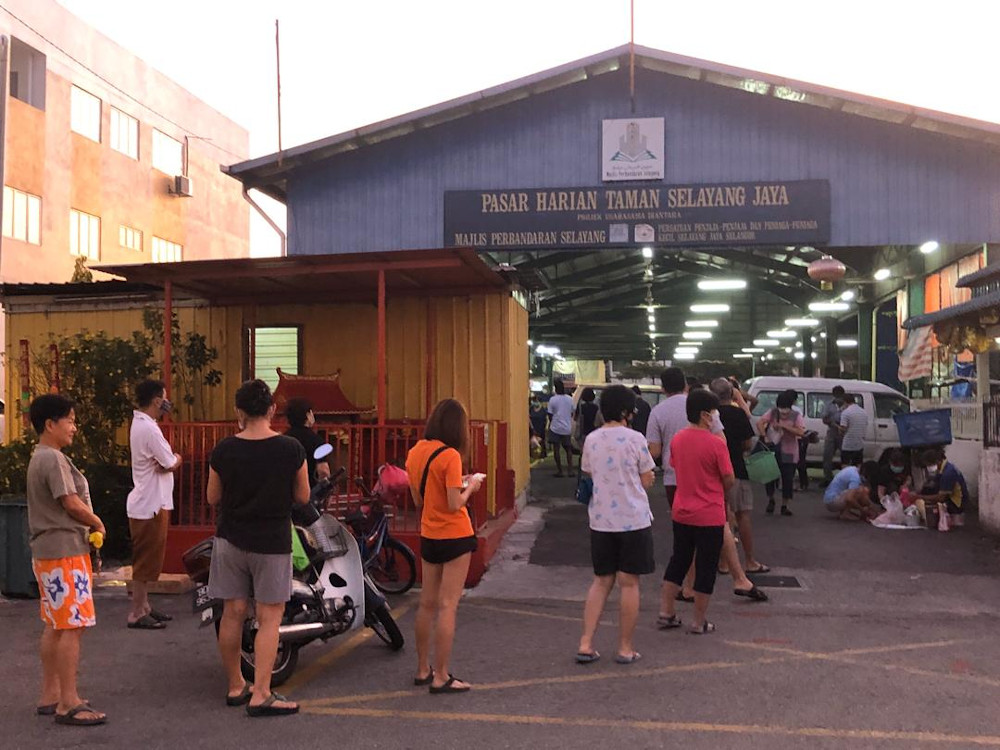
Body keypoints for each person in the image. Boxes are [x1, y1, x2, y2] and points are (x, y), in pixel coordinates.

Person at [207, 379, 309, 717]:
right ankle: (262, 692)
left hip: (230, 540)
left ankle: (236, 685)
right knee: (269, 618)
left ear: (239, 411)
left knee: (232, 613)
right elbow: (303, 497)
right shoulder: (291, 448)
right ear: (271, 409)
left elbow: (212, 497)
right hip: (272, 541)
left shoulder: (223, 450)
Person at [26, 394, 107, 726]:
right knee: (73, 626)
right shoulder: (54, 459)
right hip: (65, 550)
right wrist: (97, 522)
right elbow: (71, 503)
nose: (74, 427)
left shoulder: (39, 457)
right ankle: (68, 702)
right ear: (50, 424)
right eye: (70, 420)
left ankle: (52, 694)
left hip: (47, 552)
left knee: (55, 625)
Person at [407, 399, 483, 694]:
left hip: (429, 535)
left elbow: (418, 501)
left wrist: (456, 485)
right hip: (455, 535)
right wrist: (471, 486)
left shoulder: (416, 452)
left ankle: (422, 668)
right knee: (448, 605)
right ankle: (442, 676)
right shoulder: (450, 455)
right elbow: (455, 504)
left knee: (426, 603)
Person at [576, 386, 656, 665]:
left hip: (600, 520)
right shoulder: (636, 439)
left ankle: (585, 643)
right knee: (629, 583)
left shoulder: (592, 440)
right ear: (626, 411)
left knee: (601, 581)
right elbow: (647, 479)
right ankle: (624, 647)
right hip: (633, 520)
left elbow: (588, 471)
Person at [657, 389, 733, 634]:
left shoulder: (678, 439)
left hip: (682, 511)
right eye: (713, 413)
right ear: (704, 415)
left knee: (678, 560)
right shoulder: (716, 444)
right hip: (710, 514)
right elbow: (728, 478)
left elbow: (675, 466)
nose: (715, 417)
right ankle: (698, 621)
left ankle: (666, 611)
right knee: (706, 566)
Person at [126, 379, 182, 630]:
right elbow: (169, 461)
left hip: (150, 500)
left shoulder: (143, 424)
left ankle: (145, 606)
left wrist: (167, 461)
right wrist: (178, 458)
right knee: (145, 561)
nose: (167, 402)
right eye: (165, 397)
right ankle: (137, 611)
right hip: (150, 503)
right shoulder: (149, 429)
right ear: (158, 400)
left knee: (149, 558)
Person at [710, 378, 768, 574]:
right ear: (732, 393)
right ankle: (750, 561)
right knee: (743, 515)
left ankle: (723, 562)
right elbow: (747, 445)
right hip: (737, 469)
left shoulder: (709, 417)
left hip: (714, 472)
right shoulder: (738, 414)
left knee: (720, 518)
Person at [758, 389, 805, 516]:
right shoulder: (773, 412)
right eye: (781, 408)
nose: (783, 412)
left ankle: (785, 504)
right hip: (773, 449)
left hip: (789, 451)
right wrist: (765, 436)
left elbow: (801, 432)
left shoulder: (796, 415)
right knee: (770, 476)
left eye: (785, 409)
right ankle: (771, 499)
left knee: (788, 479)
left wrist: (784, 427)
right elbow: (760, 422)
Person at [914, 448, 968, 527]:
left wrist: (918, 497)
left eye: (929, 465)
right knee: (927, 491)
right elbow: (933, 485)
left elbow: (941, 497)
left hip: (957, 505)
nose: (928, 468)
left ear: (936, 461)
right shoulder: (944, 468)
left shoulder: (948, 473)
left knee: (929, 503)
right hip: (952, 498)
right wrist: (920, 492)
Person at [283, 397, 331, 487]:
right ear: (308, 415)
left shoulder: (283, 439)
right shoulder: (317, 440)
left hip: (285, 492)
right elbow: (323, 471)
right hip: (308, 490)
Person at [823, 453, 877, 520]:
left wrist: (871, 507)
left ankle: (845, 511)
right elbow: (849, 498)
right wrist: (862, 509)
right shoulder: (855, 478)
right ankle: (846, 513)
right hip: (832, 501)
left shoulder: (853, 469)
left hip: (830, 498)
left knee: (862, 491)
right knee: (860, 491)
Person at [546, 380, 575, 477]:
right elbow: (572, 412)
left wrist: (552, 422)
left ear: (555, 388)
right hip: (566, 427)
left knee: (556, 449)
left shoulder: (553, 400)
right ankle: (570, 470)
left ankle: (560, 471)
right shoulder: (569, 399)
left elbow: (550, 414)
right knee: (568, 449)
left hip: (555, 427)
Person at [821, 386, 846, 486]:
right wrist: (834, 424)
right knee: (827, 456)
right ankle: (828, 478)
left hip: (844, 432)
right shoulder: (829, 405)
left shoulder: (847, 405)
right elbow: (824, 419)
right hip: (832, 432)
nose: (838, 398)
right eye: (836, 396)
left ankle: (844, 479)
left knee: (845, 457)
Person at [838, 394, 869, 467]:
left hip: (848, 445)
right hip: (859, 444)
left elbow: (843, 429)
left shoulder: (846, 413)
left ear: (845, 402)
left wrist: (838, 428)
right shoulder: (863, 412)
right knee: (858, 466)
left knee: (845, 466)